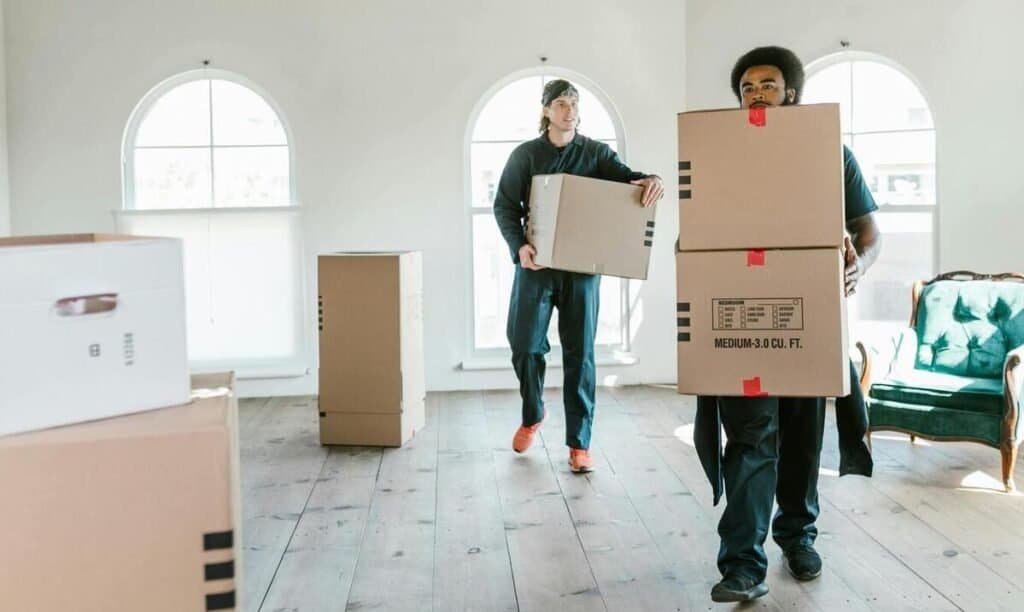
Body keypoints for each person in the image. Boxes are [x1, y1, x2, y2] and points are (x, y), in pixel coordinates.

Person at [694, 46, 882, 603]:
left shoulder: (830, 153)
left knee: (802, 440)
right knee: (750, 440)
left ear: (791, 92)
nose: (756, 92)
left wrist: (857, 268)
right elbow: (699, 236)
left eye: (768, 84)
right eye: (748, 85)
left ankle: (798, 537)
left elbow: (869, 234)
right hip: (739, 322)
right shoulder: (719, 158)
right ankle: (742, 565)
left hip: (808, 320)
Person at [493, 78, 663, 473]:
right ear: (546, 110)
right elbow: (504, 206)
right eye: (562, 103)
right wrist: (520, 246)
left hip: (583, 271)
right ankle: (533, 414)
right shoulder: (525, 156)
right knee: (524, 344)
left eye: (574, 103)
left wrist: (651, 179)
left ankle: (579, 444)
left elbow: (628, 180)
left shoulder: (596, 153)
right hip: (536, 267)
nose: (569, 110)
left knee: (580, 356)